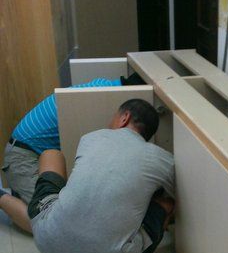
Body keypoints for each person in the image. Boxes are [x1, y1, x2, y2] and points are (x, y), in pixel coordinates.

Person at [26, 98, 174, 253]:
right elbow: (177, 193)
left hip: (48, 241)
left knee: (51, 155)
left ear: (124, 118)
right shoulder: (163, 160)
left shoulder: (91, 138)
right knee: (166, 204)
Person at [0, 73, 143, 233]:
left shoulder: (106, 87)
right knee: (52, 225)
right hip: (24, 156)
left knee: (68, 214)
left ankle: (24, 194)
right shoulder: (103, 101)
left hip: (37, 153)